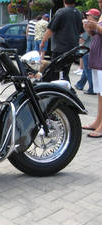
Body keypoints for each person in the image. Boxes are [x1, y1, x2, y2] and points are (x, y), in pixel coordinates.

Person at [40, 0, 84, 82]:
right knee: (65, 72)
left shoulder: (61, 12)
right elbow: (81, 31)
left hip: (59, 47)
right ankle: (66, 88)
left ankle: (55, 90)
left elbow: (51, 29)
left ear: (64, 1)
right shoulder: (78, 13)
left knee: (54, 71)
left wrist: (43, 41)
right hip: (72, 48)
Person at [82, 0, 102, 138]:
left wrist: (95, 25)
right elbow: (95, 34)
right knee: (100, 94)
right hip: (97, 59)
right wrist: (89, 28)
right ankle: (97, 121)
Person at [75, 9, 100, 95]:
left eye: (89, 15)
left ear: (93, 17)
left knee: (87, 71)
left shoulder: (94, 25)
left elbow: (83, 38)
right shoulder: (95, 25)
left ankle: (91, 88)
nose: (87, 17)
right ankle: (80, 84)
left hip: (88, 51)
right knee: (86, 71)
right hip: (91, 51)